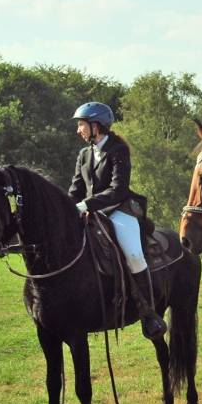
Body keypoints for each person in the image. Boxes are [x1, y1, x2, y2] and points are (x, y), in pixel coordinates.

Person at [68, 102, 167, 340]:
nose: (78, 129)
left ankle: (148, 312)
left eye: (81, 124)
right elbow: (75, 189)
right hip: (91, 212)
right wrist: (66, 207)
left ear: (96, 125)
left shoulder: (118, 149)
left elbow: (117, 189)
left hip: (119, 209)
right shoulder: (84, 154)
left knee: (133, 254)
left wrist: (86, 205)